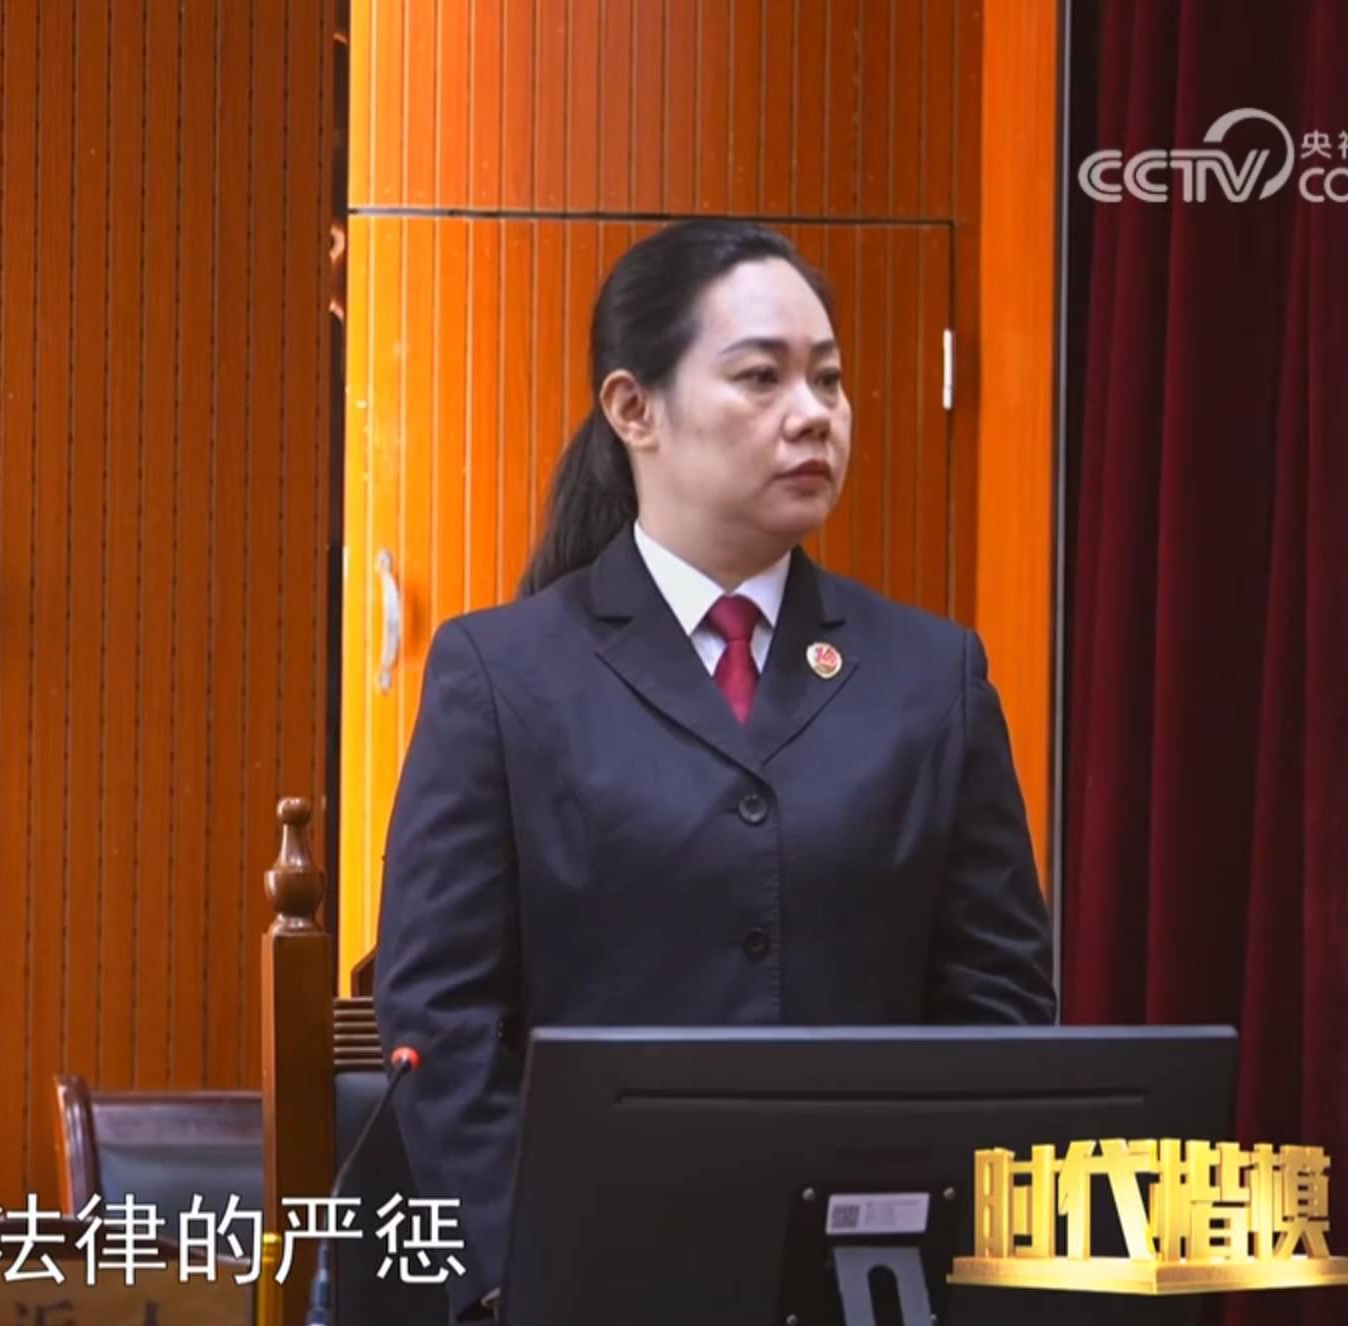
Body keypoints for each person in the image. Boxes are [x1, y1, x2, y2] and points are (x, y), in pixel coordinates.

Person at [371, 219, 1056, 1319]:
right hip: (589, 1274)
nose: (813, 413)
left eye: (828, 379)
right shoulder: (501, 674)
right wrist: (515, 1276)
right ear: (632, 408)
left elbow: (999, 1005)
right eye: (761, 377)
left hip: (870, 1276)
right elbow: (440, 1019)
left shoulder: (931, 677)